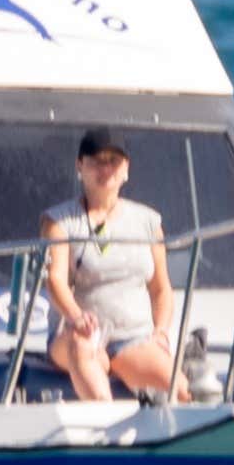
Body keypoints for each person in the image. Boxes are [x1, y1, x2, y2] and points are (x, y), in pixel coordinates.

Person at [37, 129, 177, 402]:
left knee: (181, 391)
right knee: (82, 347)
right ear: (80, 166)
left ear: (126, 169)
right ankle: (106, 430)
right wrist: (77, 317)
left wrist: (160, 331)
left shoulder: (148, 221)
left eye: (114, 161)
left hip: (132, 337)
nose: (106, 169)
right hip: (77, 334)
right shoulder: (59, 221)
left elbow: (161, 288)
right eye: (96, 161)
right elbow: (55, 280)